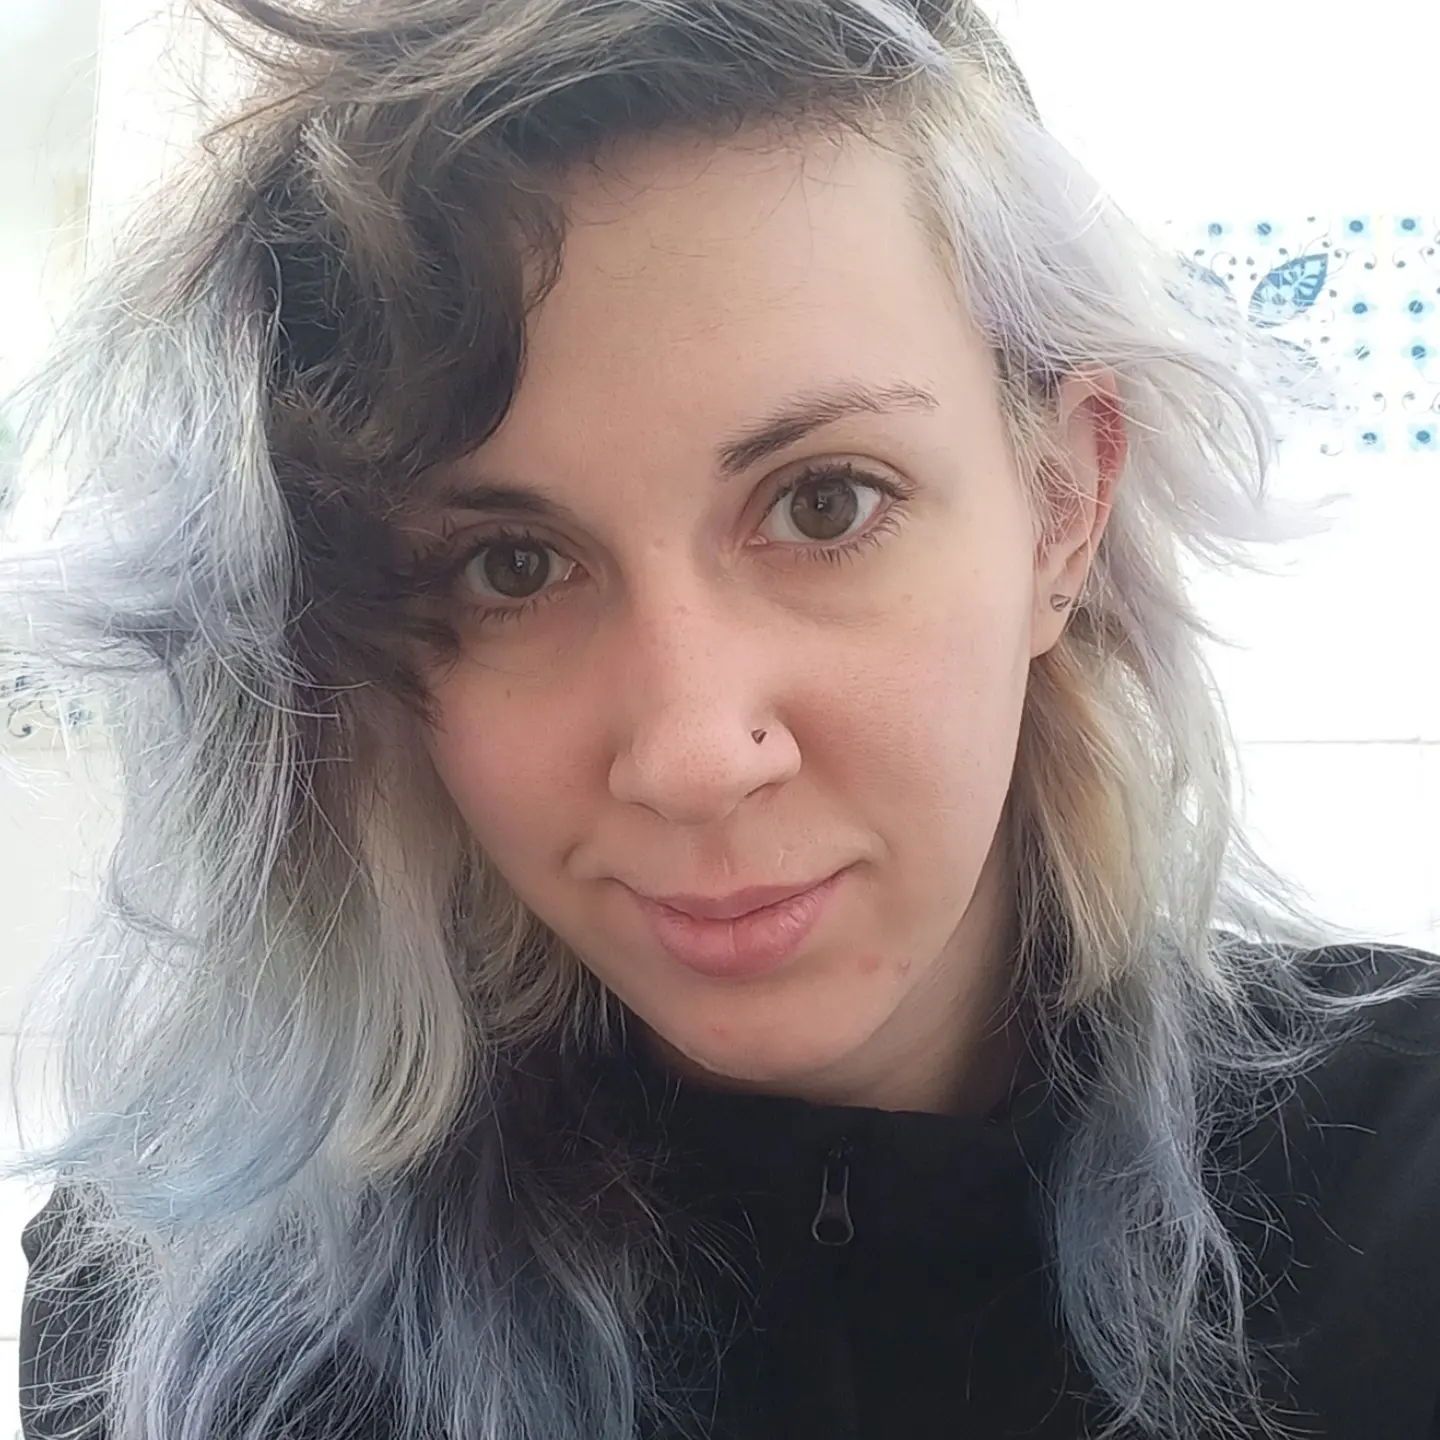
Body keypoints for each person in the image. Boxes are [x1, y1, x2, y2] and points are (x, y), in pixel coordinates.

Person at [3, 1, 1438, 1437]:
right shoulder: (179, 1316)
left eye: (826, 502)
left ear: (1063, 504)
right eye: (512, 567)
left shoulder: (1399, 1193)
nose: (693, 757)